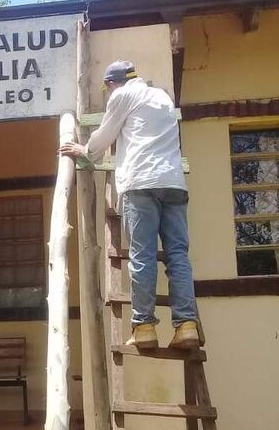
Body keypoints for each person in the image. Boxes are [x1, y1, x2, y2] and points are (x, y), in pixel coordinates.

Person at [60, 59, 200, 350]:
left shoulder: (123, 95)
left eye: (107, 89)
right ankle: (187, 326)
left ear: (112, 84)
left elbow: (101, 141)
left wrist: (82, 150)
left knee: (143, 255)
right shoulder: (161, 96)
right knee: (177, 256)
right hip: (173, 183)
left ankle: (144, 326)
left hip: (141, 184)